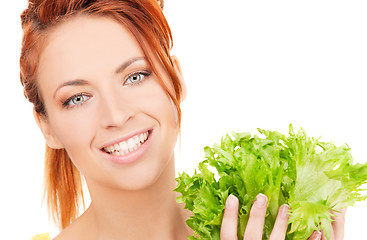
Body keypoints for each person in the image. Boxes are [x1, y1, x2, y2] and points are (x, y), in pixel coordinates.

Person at [19, 0, 345, 239]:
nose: (116, 115)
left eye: (135, 76)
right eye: (78, 98)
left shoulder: (270, 227)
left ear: (176, 77)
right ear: (46, 127)